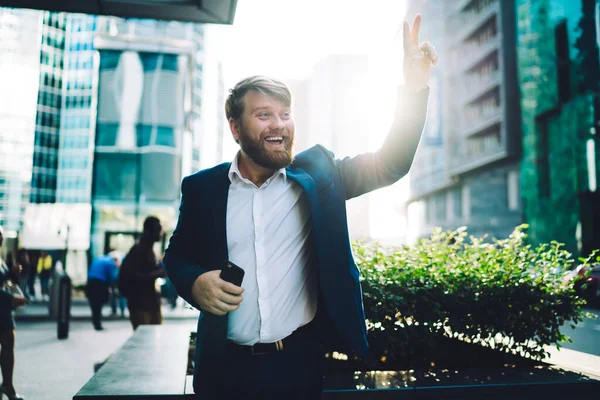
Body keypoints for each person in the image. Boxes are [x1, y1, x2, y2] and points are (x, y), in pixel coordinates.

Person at [163, 15, 437, 399]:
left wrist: (414, 88)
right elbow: (176, 255)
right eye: (264, 115)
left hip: (297, 366)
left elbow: (391, 163)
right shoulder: (202, 189)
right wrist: (193, 281)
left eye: (285, 114)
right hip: (224, 370)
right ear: (235, 128)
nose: (280, 125)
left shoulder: (319, 177)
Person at [119, 216, 166, 330]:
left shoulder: (147, 250)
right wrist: (159, 272)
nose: (161, 233)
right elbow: (133, 276)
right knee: (145, 339)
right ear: (149, 230)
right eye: (158, 229)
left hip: (149, 303)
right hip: (141, 305)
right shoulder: (139, 250)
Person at [0, 226, 27, 400]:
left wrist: (11, 273)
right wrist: (12, 298)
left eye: (1, 235)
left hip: (3, 309)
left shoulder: (1, 258)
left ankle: (7, 385)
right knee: (7, 343)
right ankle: (7, 386)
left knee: (8, 343)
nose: (0, 239)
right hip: (3, 304)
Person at [86, 252, 119, 331]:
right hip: (100, 283)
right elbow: (111, 277)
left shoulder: (98, 259)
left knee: (93, 303)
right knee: (98, 303)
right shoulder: (110, 263)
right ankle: (97, 324)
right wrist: (111, 286)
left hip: (90, 281)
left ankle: (95, 321)